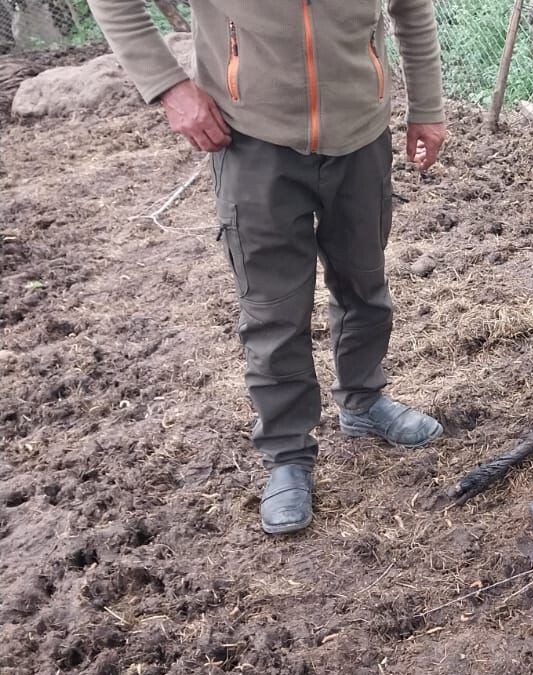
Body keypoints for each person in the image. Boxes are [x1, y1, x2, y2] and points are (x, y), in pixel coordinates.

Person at [86, 0, 448, 534]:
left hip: (362, 135)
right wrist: (169, 86)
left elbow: (411, 9)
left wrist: (428, 106)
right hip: (251, 140)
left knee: (365, 283)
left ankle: (365, 401)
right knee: (274, 310)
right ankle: (287, 455)